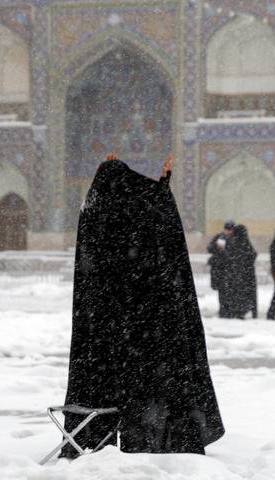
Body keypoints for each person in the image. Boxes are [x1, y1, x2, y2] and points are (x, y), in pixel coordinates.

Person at [61, 154, 224, 457]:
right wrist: (162, 190)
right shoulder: (138, 211)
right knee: (145, 383)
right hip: (144, 320)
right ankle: (148, 439)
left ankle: (94, 439)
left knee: (106, 381)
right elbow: (162, 227)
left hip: (104, 321)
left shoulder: (94, 209)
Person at [222, 224, 258, 319]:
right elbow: (253, 255)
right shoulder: (245, 242)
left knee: (234, 293)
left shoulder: (231, 241)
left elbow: (227, 257)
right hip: (246, 274)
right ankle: (244, 311)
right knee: (245, 294)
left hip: (233, 274)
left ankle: (234, 311)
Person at [207, 220, 234, 316]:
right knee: (222, 291)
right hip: (219, 270)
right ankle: (223, 310)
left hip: (230, 270)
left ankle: (229, 310)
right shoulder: (219, 238)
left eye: (232, 230)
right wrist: (216, 247)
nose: (230, 232)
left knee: (230, 291)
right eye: (229, 230)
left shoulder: (235, 239)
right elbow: (209, 248)